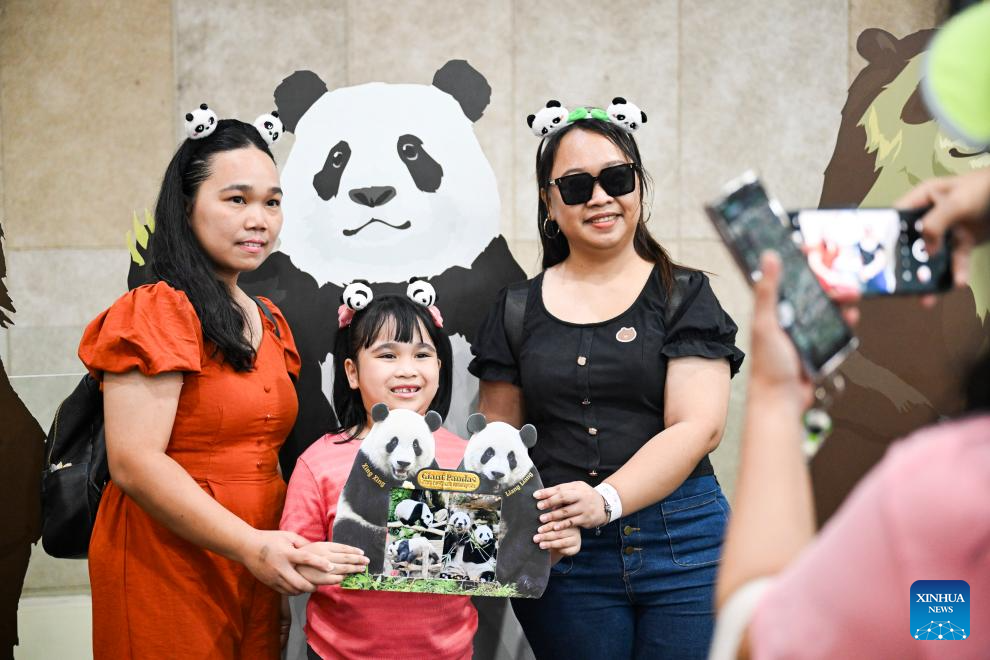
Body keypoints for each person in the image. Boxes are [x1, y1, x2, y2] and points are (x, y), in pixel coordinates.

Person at [78, 116, 366, 659]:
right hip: (166, 556)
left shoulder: (270, 319)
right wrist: (251, 546)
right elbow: (134, 462)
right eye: (237, 200)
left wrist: (269, 552)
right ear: (186, 206)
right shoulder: (157, 309)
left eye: (272, 202)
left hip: (260, 559)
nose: (259, 219)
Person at [470, 102, 744, 659]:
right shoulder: (515, 308)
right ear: (549, 202)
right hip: (563, 550)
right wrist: (521, 526)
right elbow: (497, 441)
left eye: (616, 179)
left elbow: (699, 427)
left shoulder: (685, 295)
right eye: (576, 186)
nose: (599, 197)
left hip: (685, 543)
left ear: (638, 186)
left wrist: (606, 500)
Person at [279, 290, 582, 660]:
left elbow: (498, 556)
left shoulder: (472, 460)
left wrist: (551, 546)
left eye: (422, 355)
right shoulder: (319, 461)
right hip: (338, 652)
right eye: (388, 355)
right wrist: (312, 561)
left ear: (439, 367)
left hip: (448, 652)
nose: (407, 369)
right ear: (352, 372)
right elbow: (289, 562)